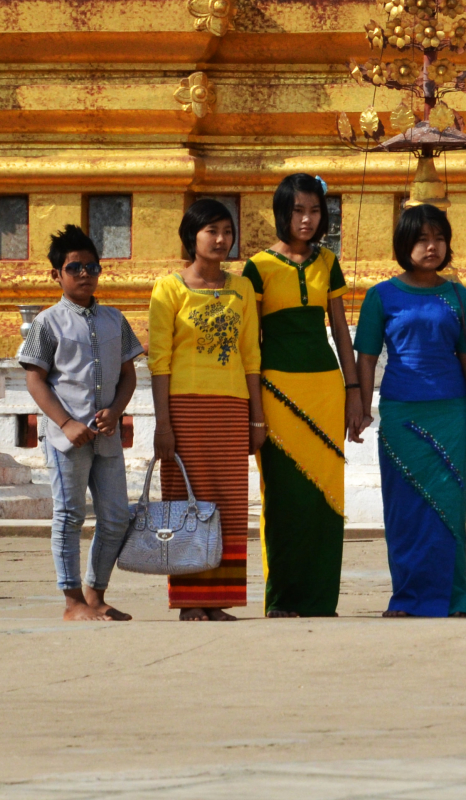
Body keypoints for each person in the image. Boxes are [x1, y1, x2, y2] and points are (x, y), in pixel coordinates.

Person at [242, 174, 360, 619]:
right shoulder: (257, 267)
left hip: (326, 389)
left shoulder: (328, 262)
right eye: (297, 211)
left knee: (325, 498)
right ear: (282, 214)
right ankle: (283, 600)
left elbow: (341, 334)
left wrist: (355, 393)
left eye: (313, 211)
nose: (306, 220)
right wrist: (253, 408)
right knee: (285, 498)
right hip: (275, 390)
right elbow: (250, 343)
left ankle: (320, 600)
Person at [354, 203, 466, 618]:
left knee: (449, 509)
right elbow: (367, 358)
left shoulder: (459, 296)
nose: (432, 247)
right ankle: (406, 599)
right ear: (403, 245)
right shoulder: (381, 296)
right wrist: (361, 407)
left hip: (450, 412)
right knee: (405, 510)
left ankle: (453, 598)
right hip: (400, 414)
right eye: (422, 239)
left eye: (439, 239)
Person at [148, 197, 264, 621]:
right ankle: (189, 600)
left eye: (227, 231)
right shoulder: (170, 288)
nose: (221, 239)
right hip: (184, 410)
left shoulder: (243, 288)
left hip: (231, 409)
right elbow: (158, 361)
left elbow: (251, 356)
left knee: (228, 506)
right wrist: (163, 424)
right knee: (185, 504)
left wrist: (257, 418)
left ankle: (217, 598)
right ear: (191, 237)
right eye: (211, 231)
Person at [19, 225, 141, 622]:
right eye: (75, 268)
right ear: (56, 275)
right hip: (65, 438)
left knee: (116, 517)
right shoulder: (48, 323)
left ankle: (95, 593)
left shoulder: (114, 320)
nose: (85, 274)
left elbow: (129, 375)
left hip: (105, 437)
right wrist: (66, 422)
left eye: (92, 266)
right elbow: (35, 379)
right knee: (70, 514)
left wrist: (117, 409)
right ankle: (72, 601)